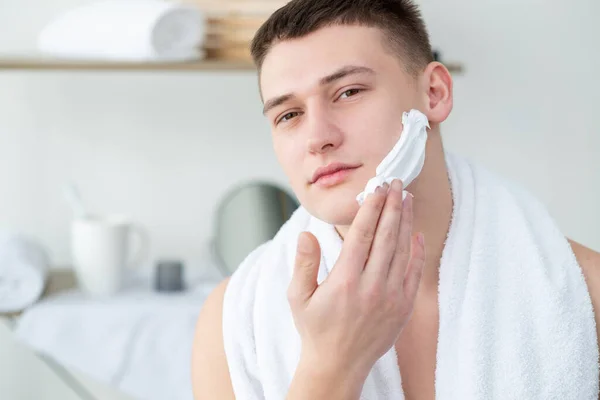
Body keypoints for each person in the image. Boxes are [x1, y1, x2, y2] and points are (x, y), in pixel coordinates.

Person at [192, 0, 600, 398]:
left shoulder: (587, 292)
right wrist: (331, 364)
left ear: (435, 93)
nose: (318, 138)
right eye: (288, 115)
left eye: (349, 92)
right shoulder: (231, 323)